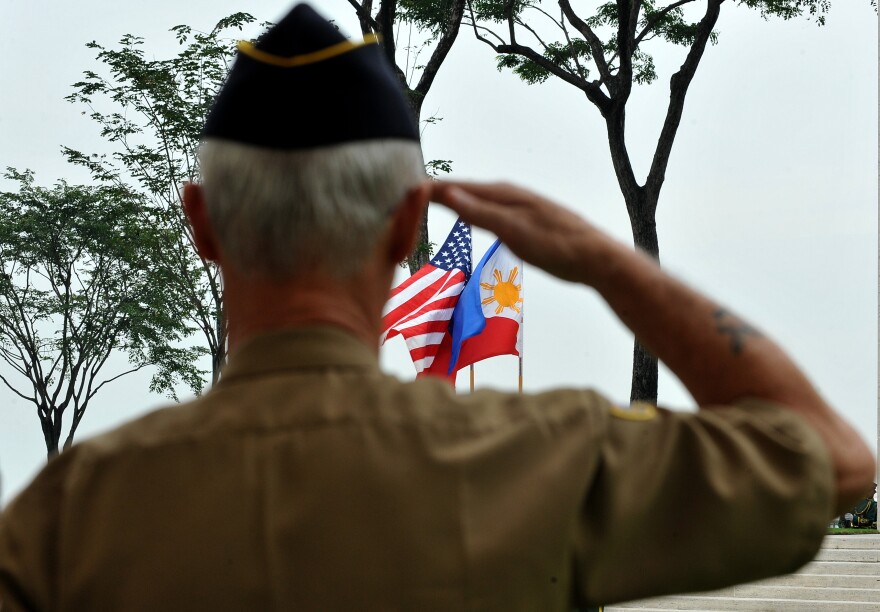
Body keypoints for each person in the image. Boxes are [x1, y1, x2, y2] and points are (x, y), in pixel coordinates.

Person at [0, 4, 874, 611]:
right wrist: (612, 265)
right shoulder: (538, 461)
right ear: (408, 225)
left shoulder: (67, 519)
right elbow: (836, 461)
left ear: (201, 225)